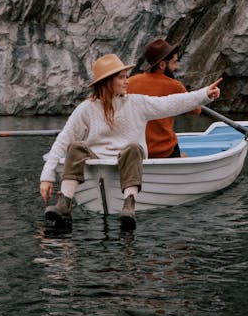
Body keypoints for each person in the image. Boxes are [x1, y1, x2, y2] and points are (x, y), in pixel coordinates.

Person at [39, 52, 222, 231]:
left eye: (126, 77)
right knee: (75, 146)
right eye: (121, 77)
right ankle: (64, 203)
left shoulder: (136, 103)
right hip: (98, 158)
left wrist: (204, 94)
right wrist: (46, 177)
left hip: (128, 157)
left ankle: (129, 205)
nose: (127, 81)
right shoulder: (86, 109)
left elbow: (171, 103)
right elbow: (63, 140)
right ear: (107, 81)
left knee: (134, 148)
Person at [126, 38, 200, 158]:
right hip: (165, 151)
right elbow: (196, 110)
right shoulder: (174, 85)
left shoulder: (130, 82)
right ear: (162, 65)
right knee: (182, 154)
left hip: (138, 150)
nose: (177, 66)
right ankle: (181, 158)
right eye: (174, 62)